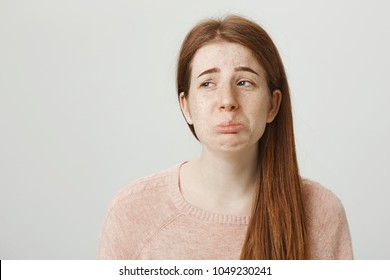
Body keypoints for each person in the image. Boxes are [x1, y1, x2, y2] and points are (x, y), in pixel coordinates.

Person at [97, 15, 353, 260]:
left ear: (272, 106)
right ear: (186, 106)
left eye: (244, 82)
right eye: (208, 84)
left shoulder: (321, 213)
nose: (228, 101)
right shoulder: (131, 211)